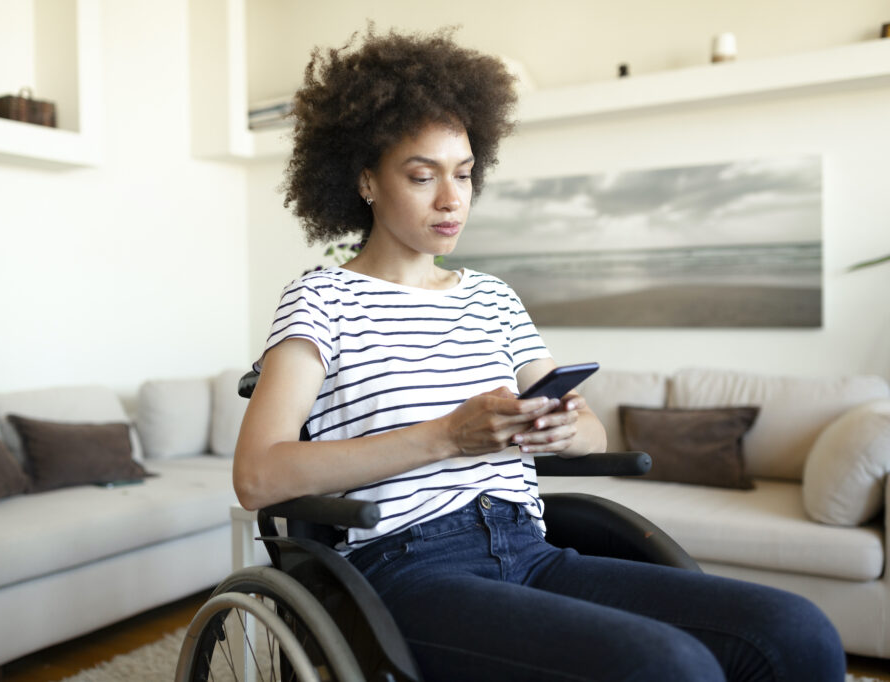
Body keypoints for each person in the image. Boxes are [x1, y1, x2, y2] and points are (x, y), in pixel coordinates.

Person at [234, 26, 845, 682]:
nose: (452, 199)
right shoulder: (322, 300)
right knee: (668, 665)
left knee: (796, 631)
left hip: (530, 547)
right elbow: (258, 476)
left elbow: (592, 431)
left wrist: (558, 427)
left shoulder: (493, 298)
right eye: (422, 176)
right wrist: (447, 436)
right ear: (365, 181)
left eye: (464, 174)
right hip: (405, 571)